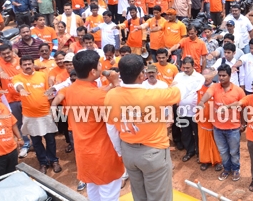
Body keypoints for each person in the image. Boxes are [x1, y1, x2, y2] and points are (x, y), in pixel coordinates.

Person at [104, 54, 181, 201]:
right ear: (141, 75)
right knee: (159, 197)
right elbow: (178, 91)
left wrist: (120, 150)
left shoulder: (111, 95)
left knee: (139, 195)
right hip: (153, 153)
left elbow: (111, 128)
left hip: (128, 151)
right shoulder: (155, 94)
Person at [61, 50, 125, 201]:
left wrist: (109, 86)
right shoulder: (99, 97)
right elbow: (120, 107)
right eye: (99, 64)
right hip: (103, 155)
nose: (102, 65)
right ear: (93, 71)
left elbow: (93, 95)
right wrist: (116, 84)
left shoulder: (71, 90)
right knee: (108, 194)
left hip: (85, 153)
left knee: (93, 190)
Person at [12, 55, 60, 174]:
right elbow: (17, 85)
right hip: (30, 116)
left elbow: (48, 93)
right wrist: (21, 90)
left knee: (50, 140)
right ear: (21, 66)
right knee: (37, 142)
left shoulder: (42, 75)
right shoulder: (17, 78)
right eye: (25, 64)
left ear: (33, 65)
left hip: (45, 114)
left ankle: (54, 160)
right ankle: (43, 163)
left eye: (29, 64)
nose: (27, 66)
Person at [198, 64, 246, 182]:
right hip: (218, 128)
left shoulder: (238, 91)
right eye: (220, 75)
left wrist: (243, 123)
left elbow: (244, 107)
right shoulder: (214, 87)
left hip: (233, 128)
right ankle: (226, 169)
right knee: (223, 151)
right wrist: (202, 102)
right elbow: (207, 94)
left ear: (230, 76)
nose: (221, 78)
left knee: (234, 151)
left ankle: (235, 169)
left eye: (224, 75)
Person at [170, 57, 205, 162]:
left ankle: (200, 153)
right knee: (185, 133)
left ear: (193, 66)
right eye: (184, 67)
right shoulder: (179, 76)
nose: (185, 69)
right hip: (182, 111)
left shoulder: (199, 77)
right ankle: (190, 151)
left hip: (195, 112)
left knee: (198, 133)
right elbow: (173, 87)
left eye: (188, 68)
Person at [196, 68, 223, 172]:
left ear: (212, 77)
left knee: (216, 142)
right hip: (202, 120)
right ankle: (205, 161)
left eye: (208, 77)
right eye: (204, 77)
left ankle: (218, 161)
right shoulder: (198, 88)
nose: (206, 79)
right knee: (203, 142)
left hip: (215, 121)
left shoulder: (217, 88)